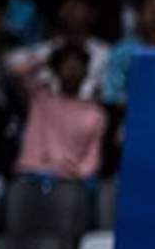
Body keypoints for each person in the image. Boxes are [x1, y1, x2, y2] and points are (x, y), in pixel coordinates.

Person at [8, 42, 105, 182]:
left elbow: (92, 159)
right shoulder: (40, 97)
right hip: (30, 175)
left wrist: (78, 172)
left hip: (67, 181)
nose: (72, 70)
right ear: (56, 69)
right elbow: (14, 73)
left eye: (78, 65)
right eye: (67, 64)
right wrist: (45, 60)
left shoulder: (95, 114)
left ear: (85, 72)